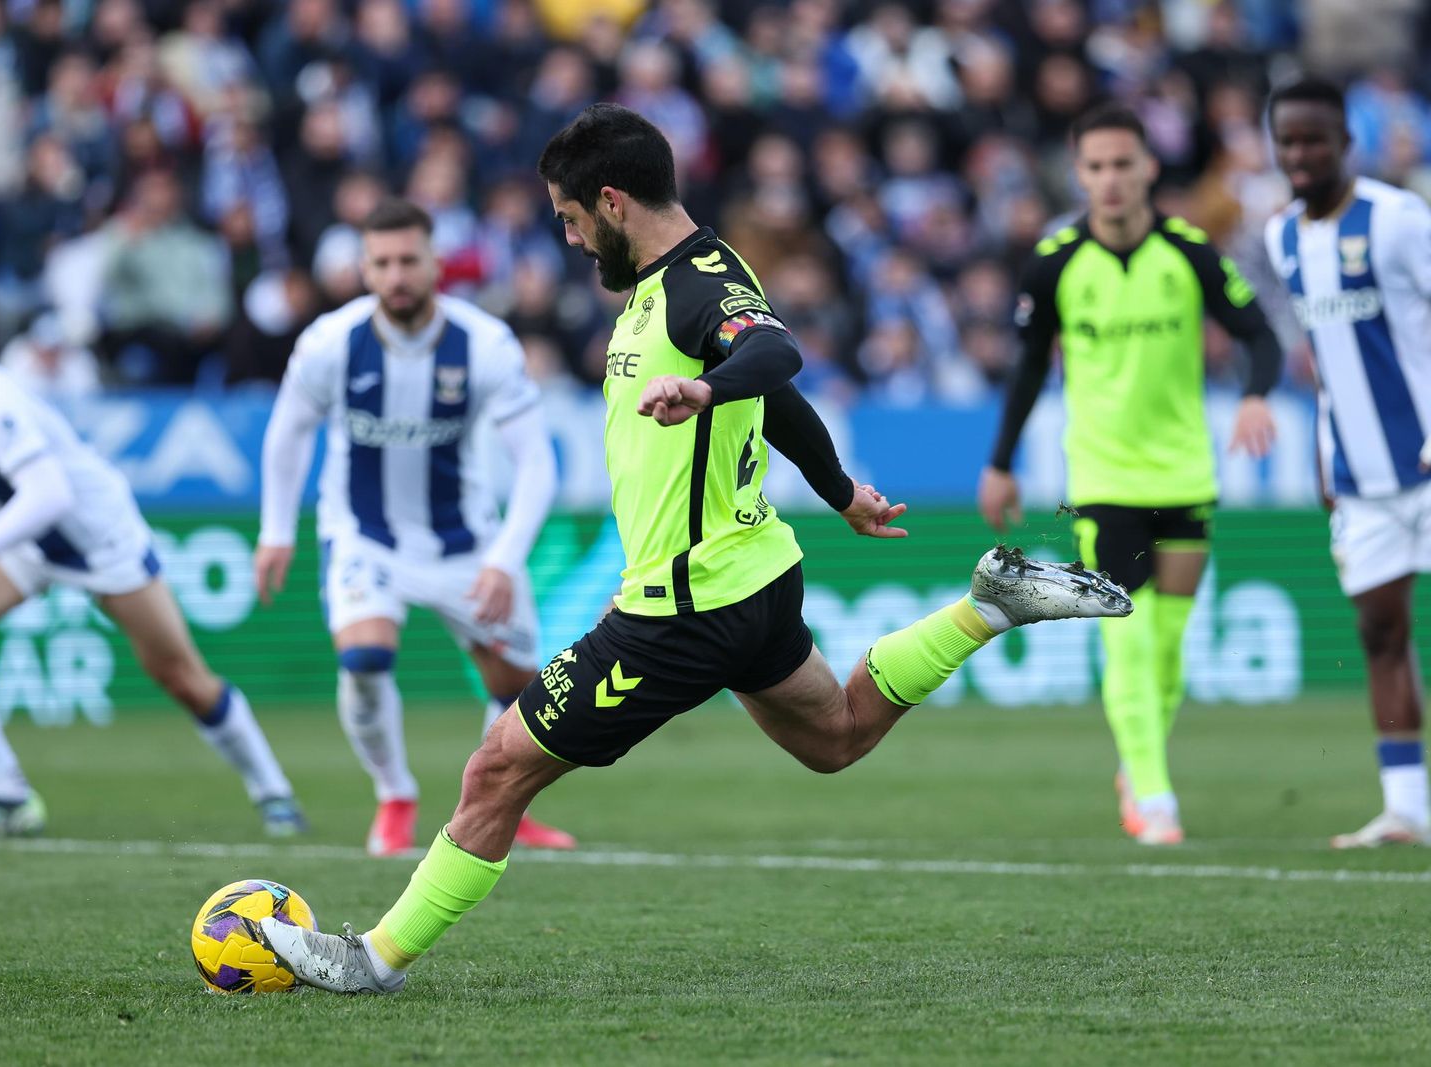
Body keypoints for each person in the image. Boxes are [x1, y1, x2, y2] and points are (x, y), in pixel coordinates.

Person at [256, 104, 1132, 994]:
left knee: (495, 769)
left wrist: (705, 390)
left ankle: (374, 960)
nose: (568, 238)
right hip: (751, 580)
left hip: (687, 609)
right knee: (835, 736)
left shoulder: (694, 287)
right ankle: (990, 603)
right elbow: (777, 398)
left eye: (569, 217)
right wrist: (838, 491)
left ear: (611, 201)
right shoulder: (693, 272)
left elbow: (775, 356)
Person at [0, 275, 306, 843]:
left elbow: (51, 496)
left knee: (181, 676)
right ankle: (8, 798)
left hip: (96, 534)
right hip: (22, 539)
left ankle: (274, 792)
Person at [979, 104, 1283, 846]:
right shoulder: (1054, 260)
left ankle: (1136, 764)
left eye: (1124, 164)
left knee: (1172, 647)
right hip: (1105, 480)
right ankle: (1154, 795)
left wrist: (1253, 393)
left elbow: (1260, 335)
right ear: (1079, 174)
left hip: (1184, 474)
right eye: (1096, 167)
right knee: (1128, 638)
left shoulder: (1189, 251)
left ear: (1149, 167)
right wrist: (1000, 463)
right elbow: (1024, 369)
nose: (1111, 180)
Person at [255, 198, 575, 856]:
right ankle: (394, 794)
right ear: (364, 270)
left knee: (518, 687)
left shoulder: (483, 344)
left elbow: (539, 463)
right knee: (365, 657)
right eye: (382, 263)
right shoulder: (329, 343)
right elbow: (287, 433)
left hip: (467, 543)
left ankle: (503, 805)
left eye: (409, 260)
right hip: (365, 535)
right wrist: (276, 530)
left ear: (435, 264)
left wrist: (505, 560)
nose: (396, 275)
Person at [1265, 76, 1431, 848]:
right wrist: (1327, 457)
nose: (1299, 155)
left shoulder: (1398, 220)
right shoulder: (1282, 237)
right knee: (1380, 632)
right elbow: (1325, 359)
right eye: (1287, 142)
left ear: (1344, 144)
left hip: (1427, 460)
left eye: (1313, 140)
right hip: (1360, 479)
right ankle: (1406, 807)